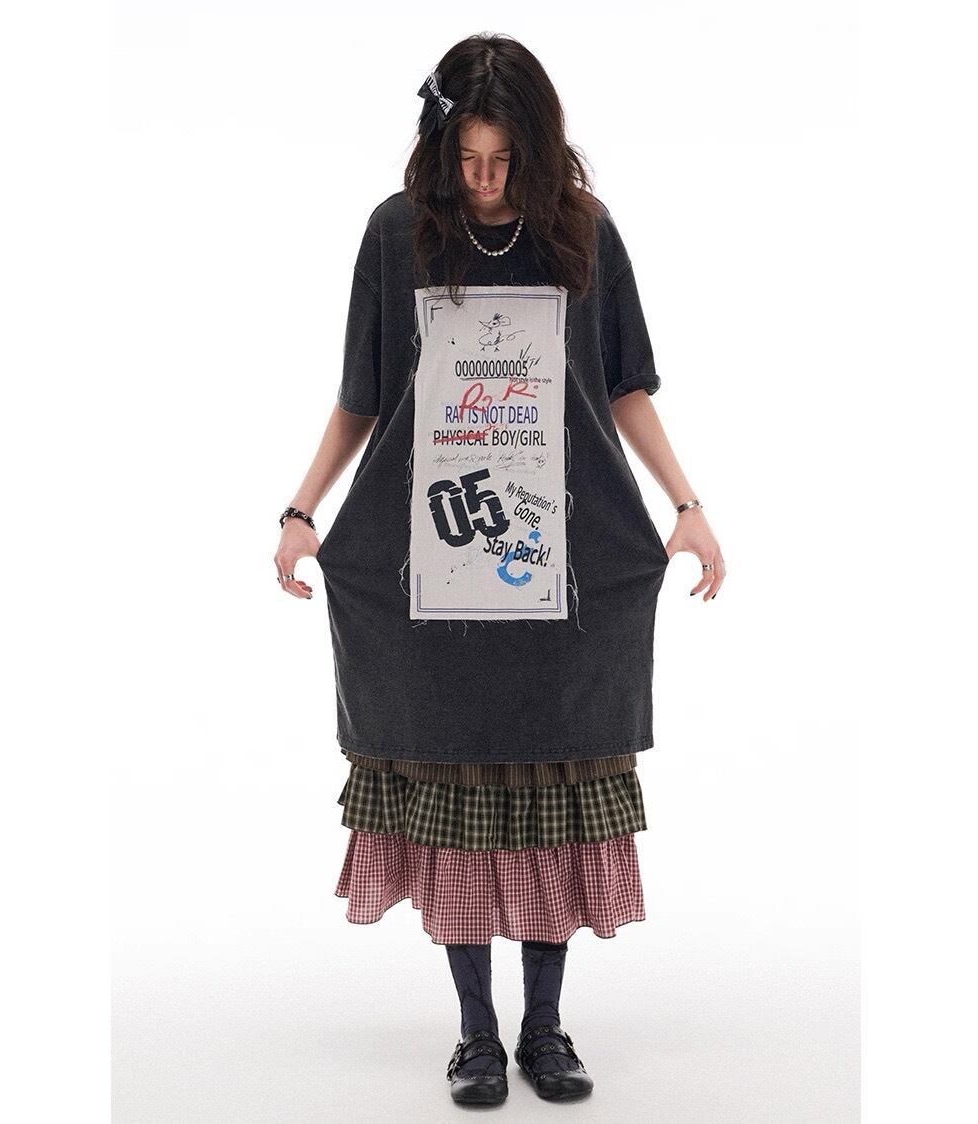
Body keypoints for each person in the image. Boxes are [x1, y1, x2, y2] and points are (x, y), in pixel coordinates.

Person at [274, 34, 725, 1106]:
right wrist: (300, 510)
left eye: (503, 162)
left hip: (565, 561)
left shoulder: (584, 233)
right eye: (466, 161)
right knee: (458, 800)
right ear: (442, 149)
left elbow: (623, 386)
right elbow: (363, 394)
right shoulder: (397, 234)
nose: (483, 181)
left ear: (538, 147)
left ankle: (544, 1027)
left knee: (554, 792)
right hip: (429, 567)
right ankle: (476, 1033)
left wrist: (686, 504)